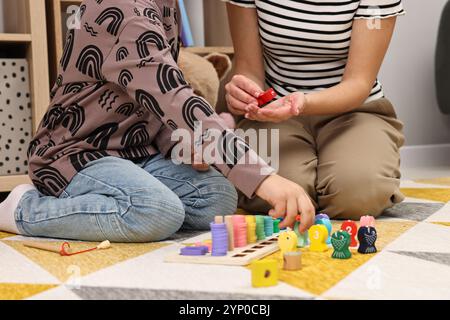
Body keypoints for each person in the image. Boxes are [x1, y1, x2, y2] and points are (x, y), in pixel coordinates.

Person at [0, 0, 315, 242]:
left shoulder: (164, 6)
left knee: (217, 198)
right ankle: (25, 209)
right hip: (74, 155)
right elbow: (173, 97)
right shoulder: (122, 10)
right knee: (155, 211)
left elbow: (151, 97)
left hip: (137, 151)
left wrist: (181, 143)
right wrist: (263, 178)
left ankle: (123, 198)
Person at [224, 0, 406, 219]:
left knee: (358, 195)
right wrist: (246, 92)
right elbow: (248, 67)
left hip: (356, 111)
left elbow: (358, 83)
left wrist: (303, 103)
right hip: (274, 114)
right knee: (279, 194)